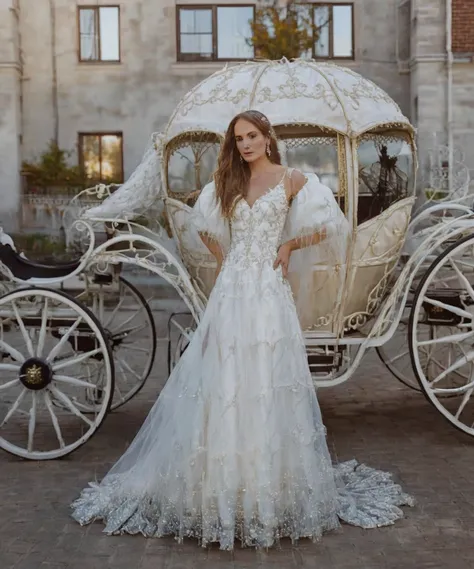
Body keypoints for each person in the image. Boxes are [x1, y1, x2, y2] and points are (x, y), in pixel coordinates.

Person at [71, 110, 413, 550]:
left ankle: (268, 490)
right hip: (234, 288)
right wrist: (228, 258)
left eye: (252, 136)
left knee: (265, 378)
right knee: (224, 377)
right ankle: (220, 489)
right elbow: (202, 226)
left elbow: (332, 223)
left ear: (268, 138)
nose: (246, 144)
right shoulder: (226, 184)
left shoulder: (291, 179)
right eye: (238, 139)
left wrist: (289, 244)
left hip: (268, 290)